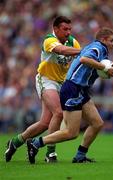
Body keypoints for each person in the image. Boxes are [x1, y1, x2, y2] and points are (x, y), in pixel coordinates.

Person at [26, 27, 113, 164]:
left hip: (80, 89)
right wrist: (104, 68)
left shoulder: (99, 49)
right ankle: (36, 143)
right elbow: (84, 59)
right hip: (72, 88)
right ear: (103, 39)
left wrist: (103, 70)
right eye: (111, 41)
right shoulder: (99, 48)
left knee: (97, 123)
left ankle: (80, 156)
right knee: (71, 132)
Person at [5, 16, 80, 163]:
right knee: (58, 113)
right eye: (65, 29)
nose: (68, 32)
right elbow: (62, 50)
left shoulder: (73, 42)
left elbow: (79, 58)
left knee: (44, 123)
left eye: (70, 29)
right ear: (56, 29)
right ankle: (50, 154)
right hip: (46, 80)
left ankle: (15, 142)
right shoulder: (49, 40)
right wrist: (82, 51)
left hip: (62, 83)